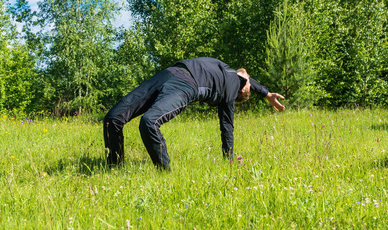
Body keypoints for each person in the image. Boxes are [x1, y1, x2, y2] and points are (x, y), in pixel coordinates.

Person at [103, 57, 285, 170]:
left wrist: (229, 158)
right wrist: (266, 93)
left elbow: (227, 127)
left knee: (149, 121)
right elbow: (245, 77)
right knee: (112, 119)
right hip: (170, 72)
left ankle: (163, 175)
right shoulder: (230, 73)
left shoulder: (230, 89)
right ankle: (114, 168)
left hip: (186, 84)